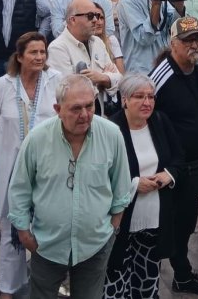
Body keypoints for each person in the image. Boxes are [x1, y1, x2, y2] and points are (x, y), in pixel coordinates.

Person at [9, 75, 132, 299]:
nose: (84, 115)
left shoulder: (111, 135)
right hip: (47, 244)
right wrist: (24, 232)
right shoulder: (37, 139)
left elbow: (122, 186)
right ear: (57, 109)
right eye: (76, 108)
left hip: (94, 245)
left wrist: (113, 227)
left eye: (89, 106)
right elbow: (19, 188)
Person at [0, 32, 64, 299]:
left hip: (48, 169)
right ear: (19, 57)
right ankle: (8, 288)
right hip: (11, 170)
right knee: (11, 234)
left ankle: (46, 286)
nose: (39, 57)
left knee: (48, 227)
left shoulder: (56, 81)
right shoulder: (3, 85)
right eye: (33, 52)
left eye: (43, 52)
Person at [147, 16, 198, 296]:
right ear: (173, 43)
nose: (194, 45)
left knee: (187, 224)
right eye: (187, 40)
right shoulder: (162, 76)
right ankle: (168, 275)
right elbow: (144, 114)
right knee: (169, 226)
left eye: (197, 39)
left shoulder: (196, 67)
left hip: (197, 165)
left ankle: (182, 272)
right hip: (175, 169)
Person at [103, 74, 180, 299]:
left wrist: (168, 175)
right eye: (139, 96)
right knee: (116, 281)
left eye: (151, 97)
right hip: (122, 220)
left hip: (153, 219)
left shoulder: (160, 121)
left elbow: (177, 158)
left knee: (146, 282)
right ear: (124, 99)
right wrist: (134, 184)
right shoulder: (110, 129)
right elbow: (100, 175)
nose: (147, 102)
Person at [119, 0, 186, 76]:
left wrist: (179, 4)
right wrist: (155, 3)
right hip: (142, 69)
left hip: (163, 66)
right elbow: (145, 38)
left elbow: (173, 26)